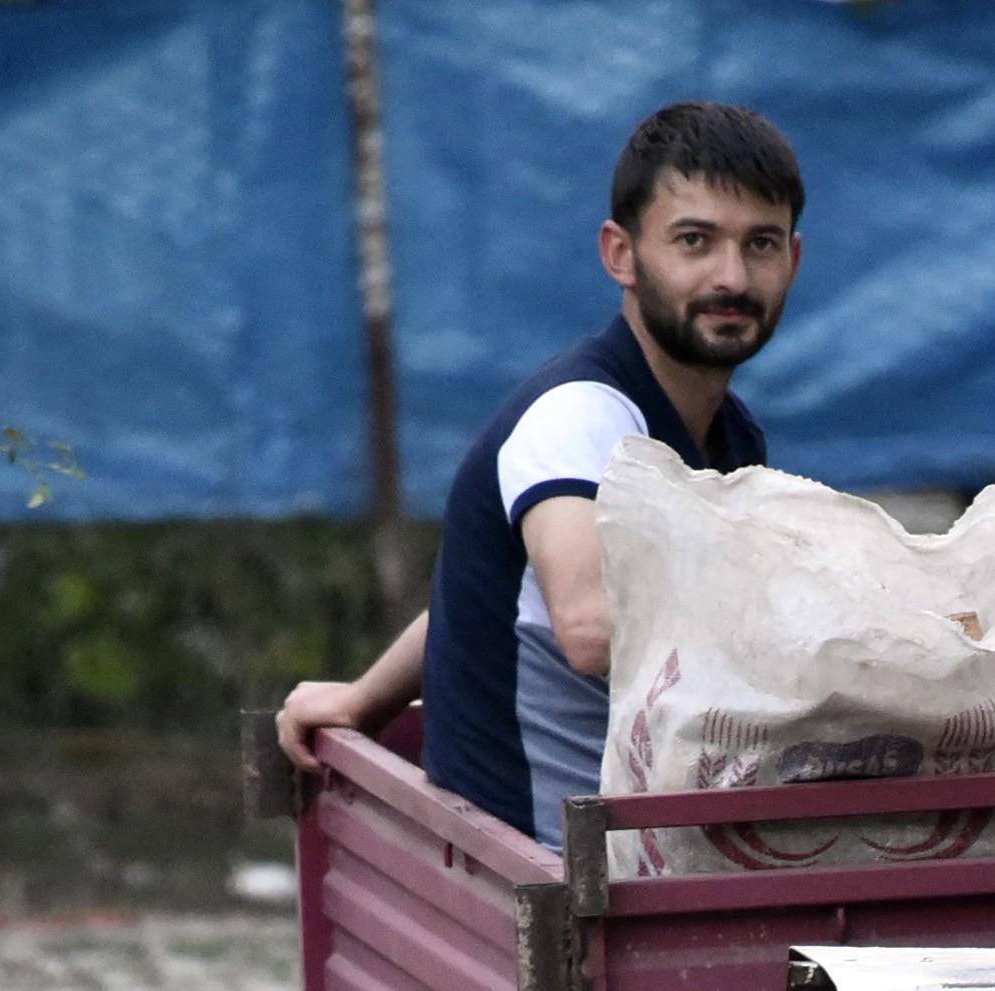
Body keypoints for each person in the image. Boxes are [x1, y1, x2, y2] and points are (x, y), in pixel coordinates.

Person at [274, 102, 805, 844]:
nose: (731, 276)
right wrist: (824, 641)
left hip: (652, 835)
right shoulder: (582, 418)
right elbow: (587, 628)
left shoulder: (730, 435)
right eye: (694, 241)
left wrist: (365, 697)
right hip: (554, 860)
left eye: (760, 245)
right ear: (620, 254)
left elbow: (487, 595)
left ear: (793, 260)